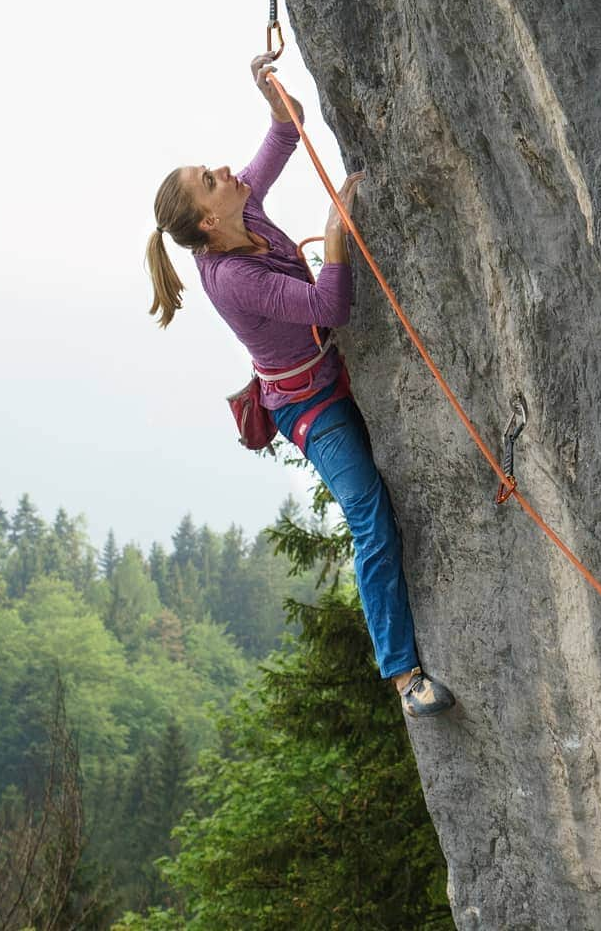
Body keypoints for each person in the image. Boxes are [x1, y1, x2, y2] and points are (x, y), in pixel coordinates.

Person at [145, 52, 454, 719]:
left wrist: (269, 93)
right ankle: (404, 677)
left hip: (325, 374)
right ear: (206, 220)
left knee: (375, 504)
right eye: (210, 178)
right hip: (309, 406)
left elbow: (287, 133)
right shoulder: (231, 276)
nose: (227, 171)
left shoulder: (241, 211)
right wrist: (337, 235)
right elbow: (326, 309)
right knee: (368, 511)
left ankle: (404, 670)